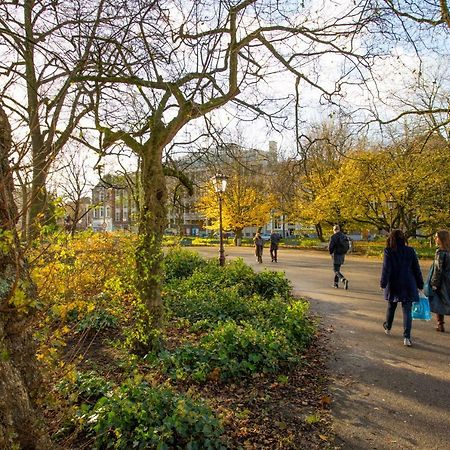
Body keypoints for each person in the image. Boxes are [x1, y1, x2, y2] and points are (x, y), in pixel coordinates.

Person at [380, 229, 424, 347]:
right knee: (407, 310)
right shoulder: (410, 251)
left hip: (394, 283)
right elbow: (416, 269)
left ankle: (388, 327)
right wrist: (420, 284)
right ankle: (406, 337)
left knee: (391, 306)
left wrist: (383, 283)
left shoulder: (388, 251)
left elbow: (386, 269)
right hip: (409, 283)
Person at [427, 230, 450, 332]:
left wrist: (434, 284)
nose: (435, 239)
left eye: (436, 237)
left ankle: (440, 324)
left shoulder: (440, 252)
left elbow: (438, 270)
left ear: (442, 238)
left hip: (443, 281)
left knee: (439, 301)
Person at [328, 224, 349, 289]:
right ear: (339, 229)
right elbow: (347, 246)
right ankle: (335, 284)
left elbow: (331, 246)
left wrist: (331, 253)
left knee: (335, 270)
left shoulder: (334, 236)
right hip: (342, 254)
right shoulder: (344, 236)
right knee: (338, 269)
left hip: (336, 254)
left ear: (334, 230)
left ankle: (343, 279)